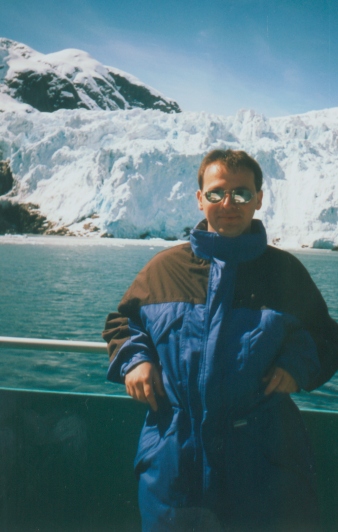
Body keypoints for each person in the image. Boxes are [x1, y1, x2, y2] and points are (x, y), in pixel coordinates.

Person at [103, 149, 338, 531]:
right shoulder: (164, 269)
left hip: (264, 465)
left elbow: (325, 335)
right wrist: (135, 360)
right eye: (216, 193)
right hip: (175, 464)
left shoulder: (285, 272)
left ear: (259, 199)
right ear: (200, 199)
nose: (228, 204)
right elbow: (124, 322)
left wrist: (298, 365)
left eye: (242, 194)